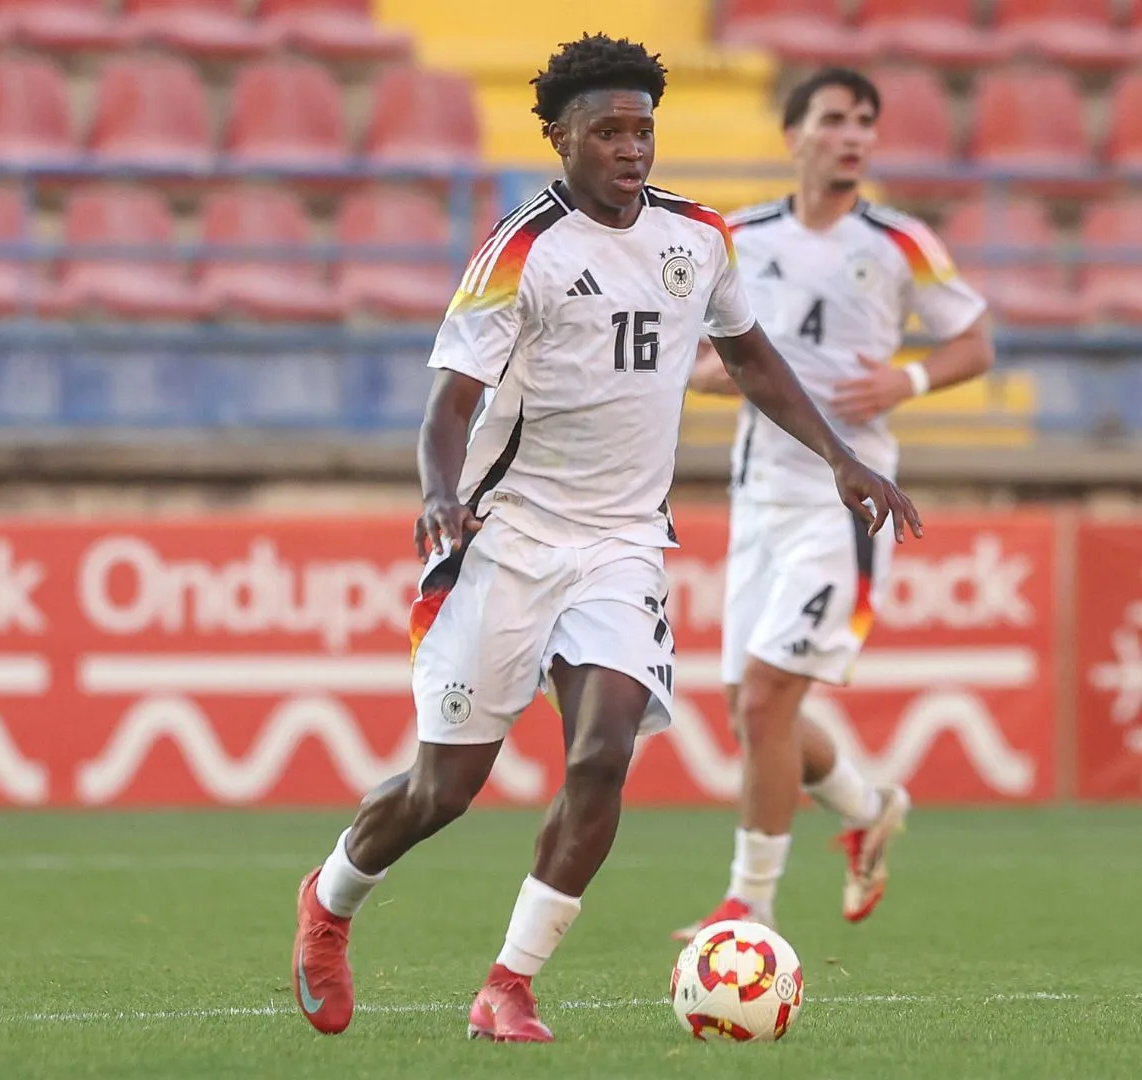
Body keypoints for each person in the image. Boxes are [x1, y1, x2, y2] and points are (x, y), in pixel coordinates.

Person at [289, 36, 923, 1045]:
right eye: (610, 132)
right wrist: (439, 497)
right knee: (442, 789)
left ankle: (510, 982)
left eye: (643, 130)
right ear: (561, 137)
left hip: (622, 544)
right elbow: (450, 403)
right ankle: (328, 902)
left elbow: (750, 354)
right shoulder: (519, 253)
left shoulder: (699, 237)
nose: (632, 149)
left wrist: (842, 456)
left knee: (602, 755)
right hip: (507, 538)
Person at [675, 67, 993, 938]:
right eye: (835, 119)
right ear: (795, 136)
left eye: (866, 122)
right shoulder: (736, 237)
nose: (854, 135)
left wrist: (908, 376)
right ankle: (866, 809)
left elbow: (975, 341)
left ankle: (750, 906)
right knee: (755, 714)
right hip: (758, 500)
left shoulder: (900, 242)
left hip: (844, 502)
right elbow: (708, 361)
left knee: (767, 700)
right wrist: (714, 376)